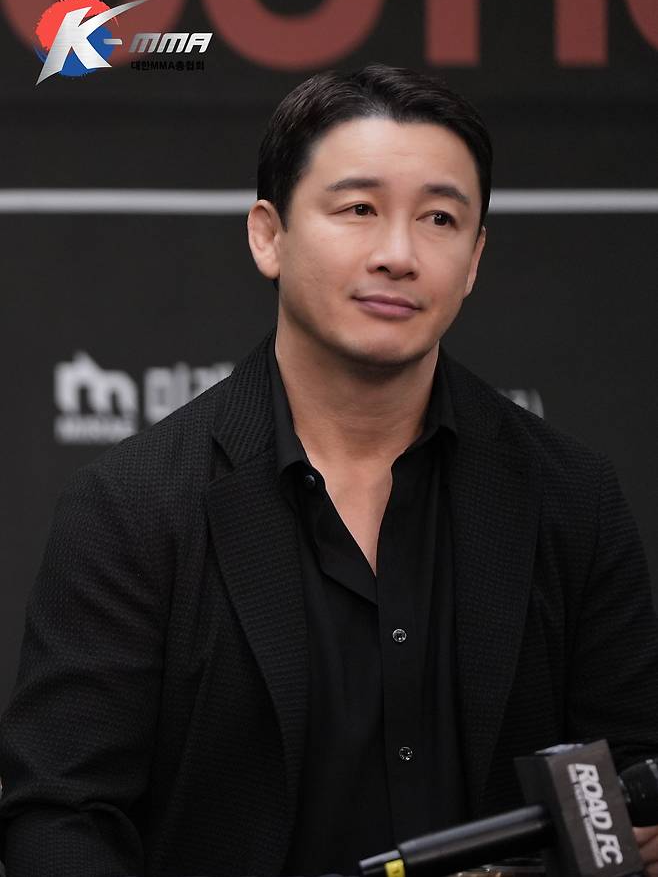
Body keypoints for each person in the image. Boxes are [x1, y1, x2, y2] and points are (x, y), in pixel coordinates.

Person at [0, 65, 657, 877]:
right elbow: (60, 817)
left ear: (474, 259)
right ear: (268, 235)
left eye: (440, 219)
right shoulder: (133, 506)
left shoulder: (571, 499)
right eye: (358, 210)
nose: (398, 254)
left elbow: (633, 780)